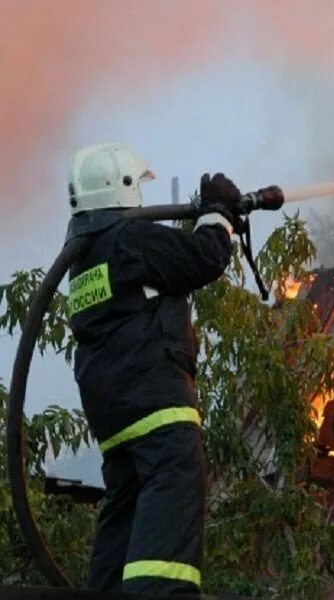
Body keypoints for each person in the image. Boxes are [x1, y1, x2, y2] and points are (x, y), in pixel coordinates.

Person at [66, 143, 243, 595]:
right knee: (173, 488)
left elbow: (164, 264)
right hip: (156, 406)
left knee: (125, 506)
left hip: (115, 416)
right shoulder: (129, 238)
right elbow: (202, 258)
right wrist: (218, 214)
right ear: (122, 188)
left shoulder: (86, 255)